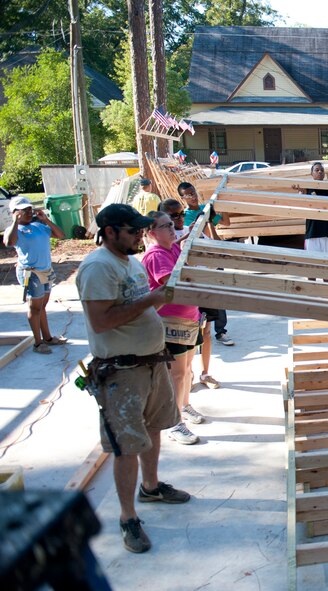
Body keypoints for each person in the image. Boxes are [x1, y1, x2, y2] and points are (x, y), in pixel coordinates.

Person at [75, 203, 190, 554]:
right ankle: (128, 517)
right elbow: (102, 321)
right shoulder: (98, 266)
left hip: (150, 363)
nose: (140, 235)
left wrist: (161, 297)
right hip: (121, 371)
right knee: (125, 446)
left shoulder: (130, 262)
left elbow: (142, 305)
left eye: (142, 229)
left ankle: (151, 486)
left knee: (152, 428)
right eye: (133, 230)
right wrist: (153, 299)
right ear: (110, 231)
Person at [142, 211, 206, 445]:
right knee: (177, 374)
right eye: (165, 226)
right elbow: (169, 280)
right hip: (172, 323)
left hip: (188, 318)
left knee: (187, 369)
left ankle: (184, 405)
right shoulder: (157, 255)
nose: (172, 229)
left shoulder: (172, 249)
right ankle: (174, 422)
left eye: (171, 224)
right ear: (151, 233)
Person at [161, 197, 223, 390]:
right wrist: (185, 238)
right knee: (183, 342)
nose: (179, 219)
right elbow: (167, 255)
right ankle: (185, 376)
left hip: (202, 288)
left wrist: (205, 225)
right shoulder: (160, 237)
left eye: (181, 214)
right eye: (173, 217)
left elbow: (214, 247)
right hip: (183, 298)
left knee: (205, 333)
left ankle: (204, 373)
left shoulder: (190, 230)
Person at [3, 196, 67, 354]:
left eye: (29, 209)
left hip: (46, 271)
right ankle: (38, 343)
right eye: (24, 210)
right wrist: (15, 222)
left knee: (42, 306)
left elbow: (60, 235)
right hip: (31, 273)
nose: (28, 212)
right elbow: (9, 242)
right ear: (15, 212)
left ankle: (48, 338)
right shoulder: (15, 230)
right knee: (35, 307)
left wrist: (46, 220)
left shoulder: (39, 226)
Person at [178, 182, 234, 347]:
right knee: (201, 297)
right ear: (182, 198)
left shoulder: (206, 208)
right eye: (188, 194)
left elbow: (225, 222)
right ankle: (200, 333)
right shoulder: (183, 216)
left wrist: (223, 205)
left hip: (213, 257)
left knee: (220, 295)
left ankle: (221, 331)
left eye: (193, 192)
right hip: (197, 261)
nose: (193, 196)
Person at [303, 162, 328, 256]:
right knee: (313, 265)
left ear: (324, 174)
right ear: (311, 174)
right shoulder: (307, 188)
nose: (319, 172)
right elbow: (301, 202)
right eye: (317, 170)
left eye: (322, 170)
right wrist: (299, 190)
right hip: (312, 233)